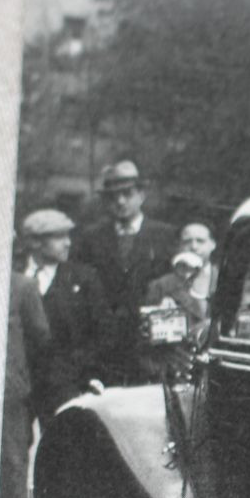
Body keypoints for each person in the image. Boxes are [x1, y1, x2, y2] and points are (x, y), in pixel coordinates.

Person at [72, 160, 177, 383]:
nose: (120, 201)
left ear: (142, 195)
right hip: (105, 348)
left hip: (150, 343)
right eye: (112, 196)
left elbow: (173, 287)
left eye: (127, 194)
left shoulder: (164, 235)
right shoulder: (91, 237)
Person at [20, 209, 112, 414]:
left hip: (67, 386)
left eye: (68, 236)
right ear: (35, 242)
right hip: (22, 387)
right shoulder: (14, 275)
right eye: (59, 237)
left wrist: (84, 373)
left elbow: (102, 332)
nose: (68, 243)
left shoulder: (84, 278)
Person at [0, 267, 51, 498]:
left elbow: (40, 336)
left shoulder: (21, 286)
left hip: (7, 384)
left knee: (11, 455)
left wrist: (20, 372)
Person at [139, 222, 216, 379]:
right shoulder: (161, 286)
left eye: (200, 241)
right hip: (179, 373)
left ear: (212, 245)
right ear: (178, 246)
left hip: (219, 369)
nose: (193, 247)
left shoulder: (228, 280)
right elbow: (145, 342)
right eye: (187, 241)